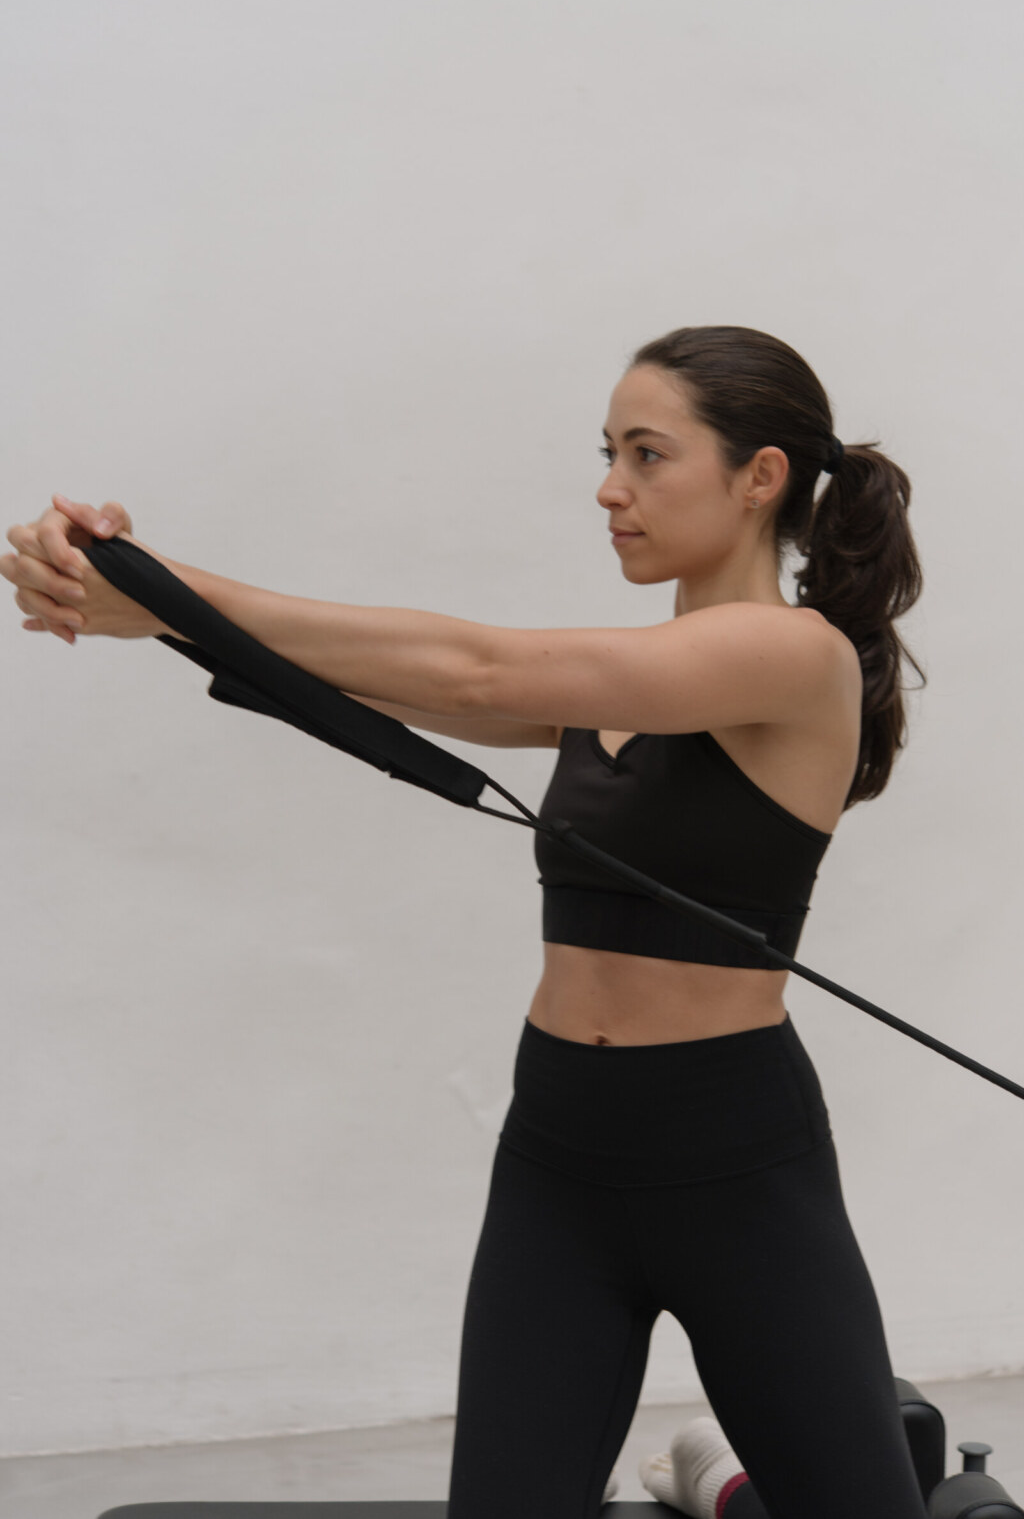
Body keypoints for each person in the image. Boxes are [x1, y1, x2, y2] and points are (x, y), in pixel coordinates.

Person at [2, 324, 929, 1518]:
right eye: (608, 453)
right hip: (559, 1154)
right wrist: (148, 609)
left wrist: (157, 579)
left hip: (733, 1163)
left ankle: (723, 1486)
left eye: (648, 454)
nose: (611, 488)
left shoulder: (794, 657)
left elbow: (475, 671)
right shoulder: (621, 680)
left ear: (759, 477)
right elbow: (377, 682)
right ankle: (718, 1481)